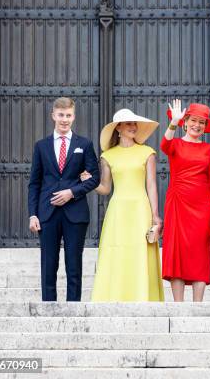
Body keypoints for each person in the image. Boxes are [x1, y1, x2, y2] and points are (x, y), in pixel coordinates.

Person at [85, 108, 164, 302]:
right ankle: (113, 297)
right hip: (118, 210)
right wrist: (89, 182)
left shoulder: (148, 152)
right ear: (118, 128)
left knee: (139, 252)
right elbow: (105, 187)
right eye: (128, 123)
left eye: (134, 123)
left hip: (140, 209)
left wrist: (155, 215)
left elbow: (152, 185)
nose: (133, 127)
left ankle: (143, 297)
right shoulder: (107, 156)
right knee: (117, 251)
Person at [27, 97, 100, 301]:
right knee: (48, 264)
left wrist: (72, 192)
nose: (64, 119)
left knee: (73, 263)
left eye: (68, 115)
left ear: (74, 116)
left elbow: (95, 178)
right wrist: (33, 214)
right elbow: (34, 183)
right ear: (53, 115)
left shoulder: (84, 144)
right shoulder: (41, 146)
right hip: (47, 213)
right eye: (61, 115)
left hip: (75, 213)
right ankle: (48, 309)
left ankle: (74, 309)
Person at [160, 100, 210, 302]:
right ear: (185, 122)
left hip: (202, 207)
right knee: (177, 253)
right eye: (193, 120)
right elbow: (164, 145)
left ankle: (198, 306)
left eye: (202, 122)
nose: (197, 125)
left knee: (200, 254)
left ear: (206, 127)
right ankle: (178, 306)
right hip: (178, 203)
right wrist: (173, 123)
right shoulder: (176, 144)